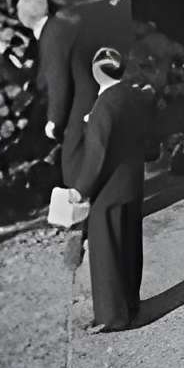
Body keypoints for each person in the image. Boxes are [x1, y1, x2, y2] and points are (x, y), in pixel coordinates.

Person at [64, 47, 156, 332]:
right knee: (129, 244)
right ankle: (130, 304)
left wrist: (80, 189)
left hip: (108, 189)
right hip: (132, 183)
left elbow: (97, 154)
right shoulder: (135, 95)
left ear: (96, 71)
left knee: (106, 252)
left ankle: (111, 317)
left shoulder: (103, 106)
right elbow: (152, 145)